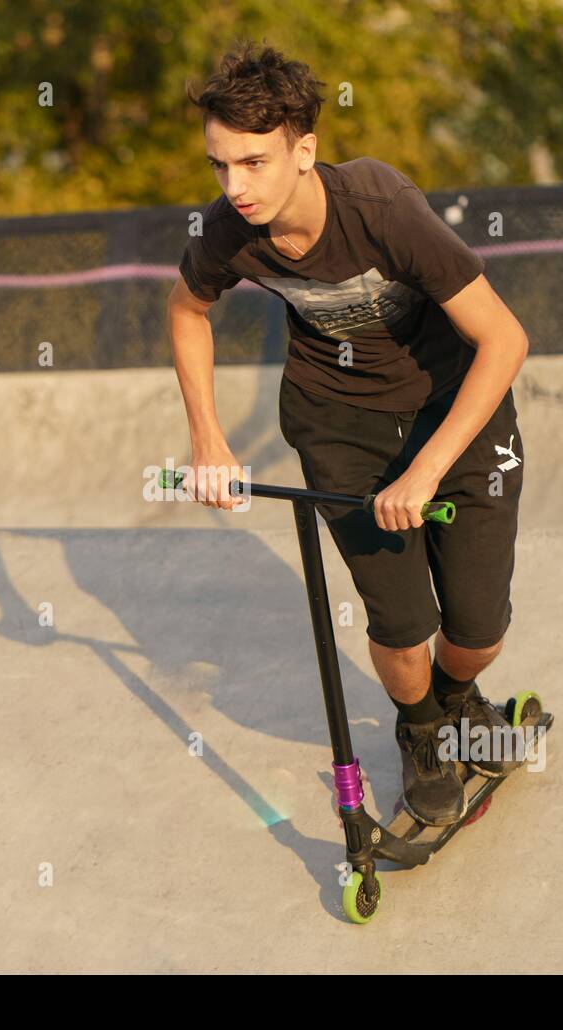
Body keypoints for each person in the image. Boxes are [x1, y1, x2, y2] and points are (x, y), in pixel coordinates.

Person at [168, 43, 531, 826]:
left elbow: (506, 341)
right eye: (220, 165)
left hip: (454, 408)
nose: (235, 187)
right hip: (337, 420)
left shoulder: (383, 209)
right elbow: (186, 310)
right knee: (402, 627)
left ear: (306, 150)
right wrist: (208, 438)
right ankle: (424, 729)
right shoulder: (229, 230)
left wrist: (428, 469)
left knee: (476, 626)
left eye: (255, 163)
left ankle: (461, 694)